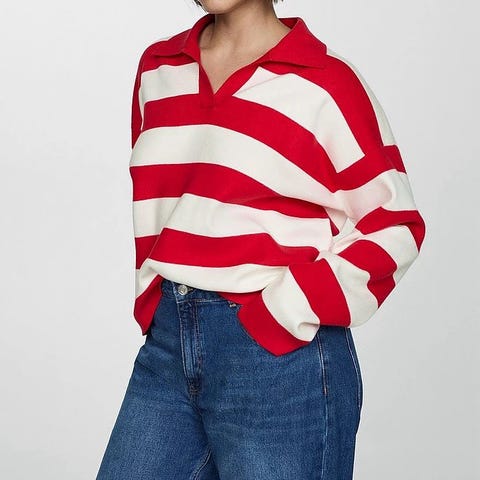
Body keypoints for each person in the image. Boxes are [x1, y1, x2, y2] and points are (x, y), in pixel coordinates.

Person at [96, 0, 426, 479]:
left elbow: (395, 224)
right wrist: (154, 300)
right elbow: (161, 200)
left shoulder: (326, 82)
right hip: (168, 345)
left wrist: (284, 309)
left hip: (278, 356)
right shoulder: (159, 68)